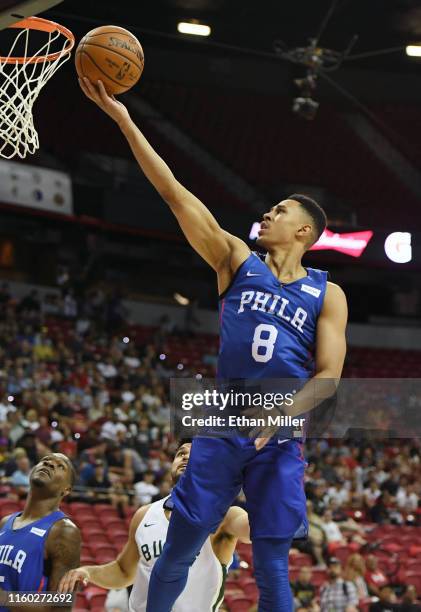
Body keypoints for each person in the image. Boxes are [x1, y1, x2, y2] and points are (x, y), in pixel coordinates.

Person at [78, 77, 347, 612]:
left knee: (273, 568)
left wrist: (280, 416)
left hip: (282, 424)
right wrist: (123, 119)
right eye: (268, 209)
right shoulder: (234, 260)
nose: (267, 215)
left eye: (279, 211)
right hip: (226, 418)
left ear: (304, 233)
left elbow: (330, 375)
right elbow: (175, 193)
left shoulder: (328, 291)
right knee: (176, 551)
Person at [58, 441, 250, 612]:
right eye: (181, 453)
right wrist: (87, 572)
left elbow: (254, 530)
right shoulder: (145, 514)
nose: (186, 457)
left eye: (196, 454)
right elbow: (124, 571)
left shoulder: (225, 515)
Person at [0, 452, 81, 611]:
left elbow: (62, 604)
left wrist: (3, 598)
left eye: (60, 466)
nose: (50, 464)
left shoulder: (63, 531)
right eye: (46, 460)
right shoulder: (5, 522)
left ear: (66, 490)